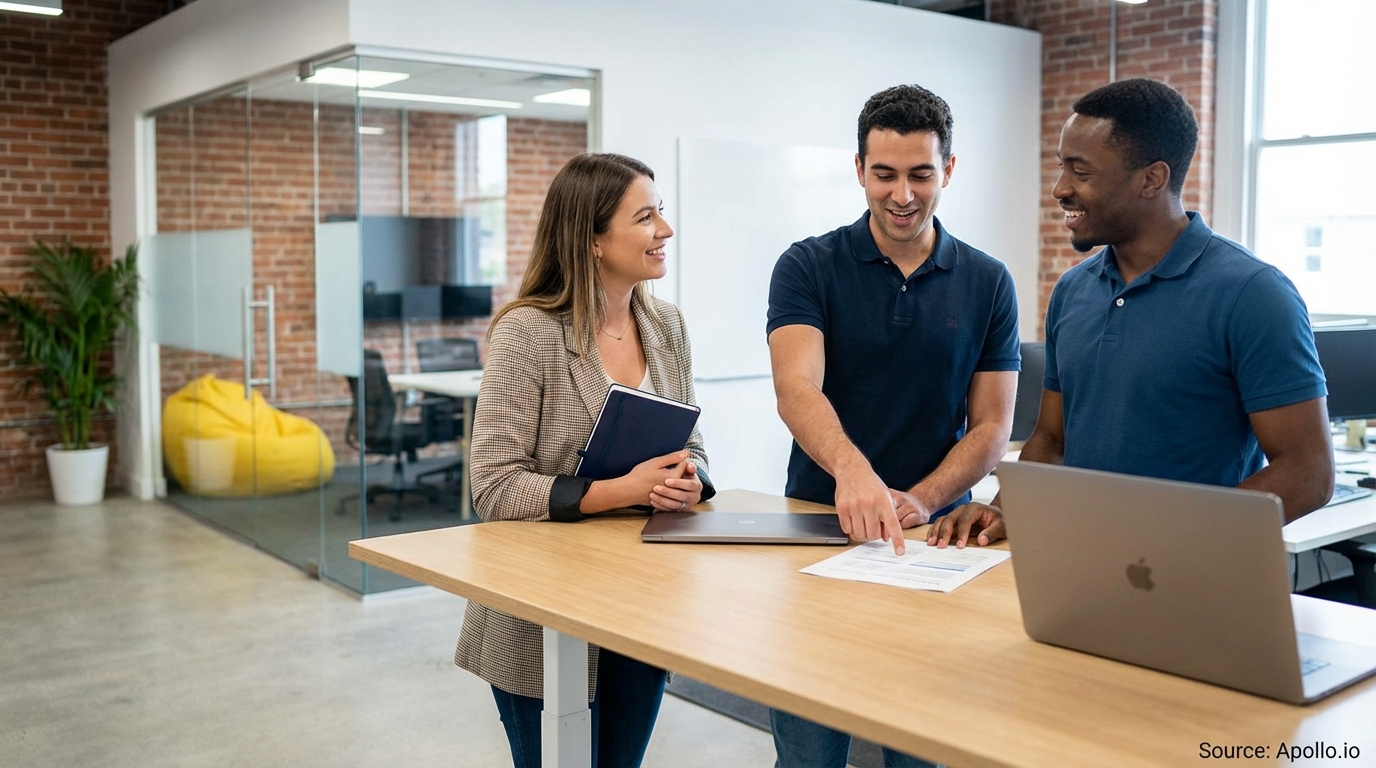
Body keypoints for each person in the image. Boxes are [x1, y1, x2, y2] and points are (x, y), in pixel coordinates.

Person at [930, 78, 1334, 550]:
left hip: (1193, 572)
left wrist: (1174, 544)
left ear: (1151, 179)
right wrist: (1005, 508)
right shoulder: (1072, 291)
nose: (1060, 188)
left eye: (1081, 172)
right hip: (1079, 559)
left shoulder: (1254, 294)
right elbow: (1052, 441)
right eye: (1062, 167)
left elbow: (1308, 473)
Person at [766, 84, 1020, 768]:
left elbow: (992, 424)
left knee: (921, 750)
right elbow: (796, 386)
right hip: (821, 526)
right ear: (858, 169)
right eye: (884, 174)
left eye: (920, 175)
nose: (902, 194)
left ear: (948, 170)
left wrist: (923, 499)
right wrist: (853, 471)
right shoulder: (807, 265)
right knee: (809, 752)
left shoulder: (989, 281)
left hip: (937, 540)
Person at [455, 152, 716, 768]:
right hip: (543, 612)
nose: (665, 230)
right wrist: (623, 490)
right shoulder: (528, 332)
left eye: (661, 213)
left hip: (641, 605)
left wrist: (690, 481)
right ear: (593, 239)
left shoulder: (667, 326)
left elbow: (695, 445)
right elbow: (492, 486)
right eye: (645, 218)